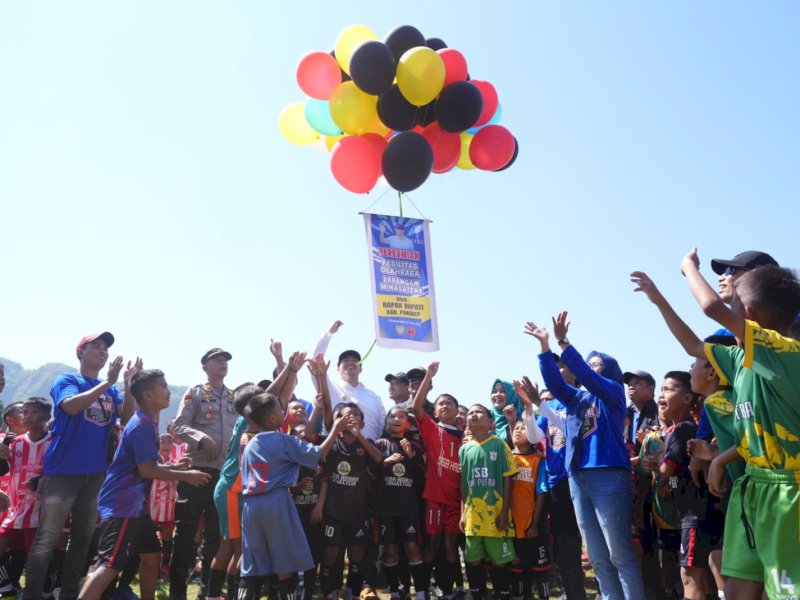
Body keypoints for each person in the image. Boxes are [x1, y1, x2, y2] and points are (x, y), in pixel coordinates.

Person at [634, 251, 800, 598]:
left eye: (735, 301)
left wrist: (688, 268)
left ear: (749, 317)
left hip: (787, 494)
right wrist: (657, 299)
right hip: (752, 489)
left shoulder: (783, 352)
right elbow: (693, 343)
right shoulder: (739, 360)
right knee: (739, 587)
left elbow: (710, 307)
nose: (727, 301)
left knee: (785, 591)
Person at [526, 313, 645, 599]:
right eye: (588, 366)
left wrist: (564, 342)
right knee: (597, 556)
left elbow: (588, 377)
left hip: (608, 474)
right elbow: (555, 385)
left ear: (610, 373)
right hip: (577, 477)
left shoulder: (614, 393)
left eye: (596, 366)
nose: (589, 370)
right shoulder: (577, 398)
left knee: (619, 553)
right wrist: (545, 347)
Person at [78, 368, 211, 600]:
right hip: (122, 507)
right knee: (109, 565)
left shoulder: (148, 423)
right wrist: (186, 476)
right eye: (164, 387)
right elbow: (147, 470)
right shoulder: (140, 425)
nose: (169, 392)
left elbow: (147, 465)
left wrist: (174, 468)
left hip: (137, 510)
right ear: (148, 394)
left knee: (151, 558)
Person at [24, 332, 135, 600]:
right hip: (62, 471)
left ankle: (70, 594)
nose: (103, 351)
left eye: (105, 347)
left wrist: (127, 386)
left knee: (82, 538)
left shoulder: (109, 390)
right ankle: (32, 594)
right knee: (47, 539)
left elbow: (128, 415)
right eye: (95, 346)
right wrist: (107, 382)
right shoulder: (67, 380)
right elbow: (71, 407)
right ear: (80, 353)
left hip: (95, 473)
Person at [236, 392, 350, 600]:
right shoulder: (283, 440)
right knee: (284, 561)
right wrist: (336, 429)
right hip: (276, 502)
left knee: (252, 563)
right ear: (272, 418)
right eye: (281, 410)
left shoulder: (251, 443)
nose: (284, 412)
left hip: (251, 505)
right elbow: (319, 453)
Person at [170, 347, 239, 600]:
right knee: (186, 533)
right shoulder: (195, 392)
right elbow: (178, 425)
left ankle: (207, 592)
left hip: (224, 475)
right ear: (205, 367)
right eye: (217, 360)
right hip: (196, 472)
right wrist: (200, 437)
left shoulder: (235, 397)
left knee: (216, 536)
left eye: (225, 360)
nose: (222, 363)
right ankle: (177, 593)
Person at [646, 371, 710, 600]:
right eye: (661, 390)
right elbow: (676, 479)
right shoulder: (689, 428)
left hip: (693, 514)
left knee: (689, 578)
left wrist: (655, 467)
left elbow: (667, 472)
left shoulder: (680, 430)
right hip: (694, 512)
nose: (662, 395)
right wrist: (665, 478)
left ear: (687, 398)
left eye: (669, 389)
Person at [315, 403, 382, 600]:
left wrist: (359, 435)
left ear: (362, 422)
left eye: (355, 414)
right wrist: (335, 429)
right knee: (330, 554)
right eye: (345, 415)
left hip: (358, 511)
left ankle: (352, 593)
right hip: (333, 511)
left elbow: (378, 458)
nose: (350, 417)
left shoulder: (366, 442)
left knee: (356, 554)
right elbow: (319, 455)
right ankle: (328, 592)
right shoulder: (332, 441)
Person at [412, 362, 463, 599]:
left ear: (456, 410)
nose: (444, 406)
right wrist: (428, 377)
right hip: (434, 498)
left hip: (456, 502)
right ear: (436, 411)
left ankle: (447, 590)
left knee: (451, 546)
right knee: (431, 545)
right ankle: (422, 591)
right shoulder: (433, 430)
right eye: (440, 403)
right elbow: (417, 406)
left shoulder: (465, 438)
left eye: (449, 403)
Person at [459, 403, 518, 600]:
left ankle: (503, 594)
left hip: (496, 516)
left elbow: (508, 478)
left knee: (500, 560)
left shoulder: (499, 444)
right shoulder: (464, 449)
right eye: (470, 412)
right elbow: (464, 484)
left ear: (490, 422)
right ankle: (478, 595)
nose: (474, 415)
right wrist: (463, 513)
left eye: (479, 412)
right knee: (473, 559)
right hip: (473, 518)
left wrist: (504, 513)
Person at [0, 397, 52, 596]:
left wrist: (42, 480)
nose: (28, 416)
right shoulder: (14, 443)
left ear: (47, 417)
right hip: (15, 510)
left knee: (35, 557)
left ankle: (38, 589)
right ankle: (6, 585)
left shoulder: (54, 442)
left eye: (34, 412)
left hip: (40, 512)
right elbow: (2, 469)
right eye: (26, 412)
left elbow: (61, 473)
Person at [374, 407, 425, 600]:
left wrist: (410, 455)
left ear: (408, 423)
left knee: (412, 548)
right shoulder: (379, 444)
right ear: (386, 422)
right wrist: (384, 463)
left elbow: (421, 475)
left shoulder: (415, 446)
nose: (396, 419)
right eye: (392, 416)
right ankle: (395, 592)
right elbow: (370, 472)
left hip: (408, 508)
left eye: (401, 416)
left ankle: (420, 593)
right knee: (390, 550)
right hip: (386, 508)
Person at [312, 321, 386, 440]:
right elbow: (316, 360)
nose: (350, 363)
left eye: (355, 360)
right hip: (337, 452)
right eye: (345, 361)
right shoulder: (330, 388)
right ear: (337, 369)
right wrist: (329, 333)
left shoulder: (374, 398)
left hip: (369, 454)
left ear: (361, 368)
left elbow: (382, 427)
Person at [507, 417, 551, 600]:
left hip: (532, 527)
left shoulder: (538, 460)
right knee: (516, 569)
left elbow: (541, 493)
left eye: (523, 428)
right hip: (511, 527)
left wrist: (535, 523)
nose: (518, 430)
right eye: (515, 428)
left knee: (540, 569)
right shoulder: (505, 457)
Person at [709, 250, 777, 304]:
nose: (720, 278)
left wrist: (697, 272)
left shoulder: (767, 319)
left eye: (730, 270)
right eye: (724, 271)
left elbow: (711, 306)